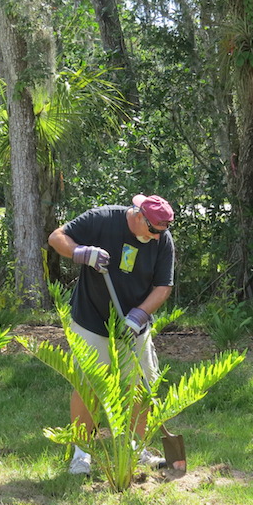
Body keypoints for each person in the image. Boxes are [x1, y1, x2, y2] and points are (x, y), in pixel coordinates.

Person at [48, 193, 175, 475]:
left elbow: (163, 287)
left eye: (162, 232)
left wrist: (139, 315)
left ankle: (136, 449)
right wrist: (82, 253)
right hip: (91, 319)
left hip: (133, 323)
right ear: (139, 216)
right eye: (153, 230)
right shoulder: (103, 219)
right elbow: (57, 238)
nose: (157, 237)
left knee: (141, 386)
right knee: (89, 386)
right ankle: (81, 453)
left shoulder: (162, 239)